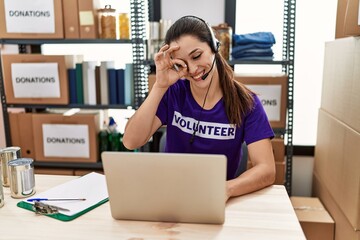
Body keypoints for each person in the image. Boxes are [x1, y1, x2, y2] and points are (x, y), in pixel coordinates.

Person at [123, 15, 276, 200]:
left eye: (196, 56)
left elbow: (266, 170)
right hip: (170, 196)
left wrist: (226, 189)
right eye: (182, 63)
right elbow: (131, 142)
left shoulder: (246, 102)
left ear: (214, 47)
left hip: (215, 198)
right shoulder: (173, 92)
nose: (193, 69)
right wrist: (159, 86)